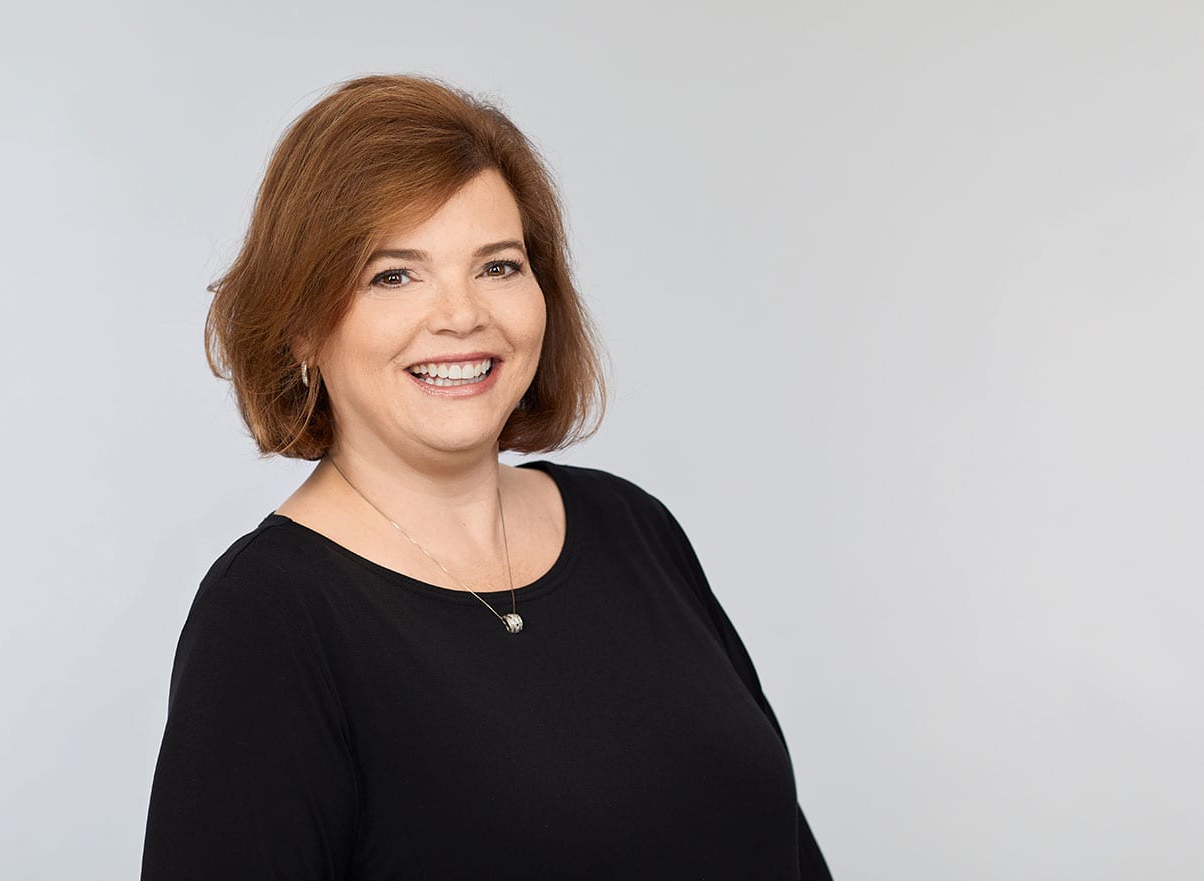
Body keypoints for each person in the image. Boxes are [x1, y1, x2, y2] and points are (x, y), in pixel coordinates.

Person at [141, 73, 832, 880]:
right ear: (300, 325)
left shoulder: (632, 528)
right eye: (393, 274)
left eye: (498, 266)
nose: (463, 314)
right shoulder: (270, 620)